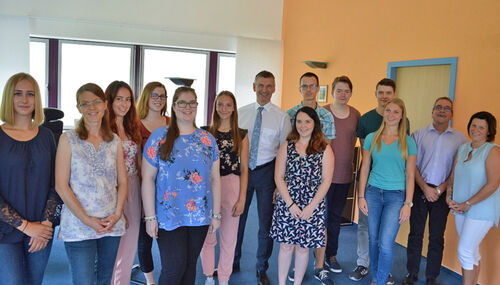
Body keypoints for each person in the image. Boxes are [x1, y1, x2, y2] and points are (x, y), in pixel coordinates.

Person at [141, 86, 221, 285]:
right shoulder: (159, 137)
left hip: (199, 216)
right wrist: (150, 217)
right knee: (173, 269)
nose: (188, 107)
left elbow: (215, 179)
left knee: (189, 267)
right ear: (174, 107)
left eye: (192, 102)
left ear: (197, 105)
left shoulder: (207, 139)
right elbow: (147, 179)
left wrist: (216, 214)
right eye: (182, 102)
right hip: (169, 215)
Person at [55, 83, 127, 285]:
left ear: (105, 105)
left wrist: (117, 214)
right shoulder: (67, 139)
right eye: (85, 103)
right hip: (78, 224)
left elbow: (122, 181)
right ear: (78, 107)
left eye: (96, 101)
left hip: (110, 222)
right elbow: (61, 186)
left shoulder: (114, 140)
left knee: (104, 280)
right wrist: (87, 220)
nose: (91, 107)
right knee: (83, 281)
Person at [0, 73, 60, 284]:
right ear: (9, 97)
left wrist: (44, 224)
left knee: (34, 281)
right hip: (5, 229)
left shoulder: (47, 136)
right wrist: (25, 226)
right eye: (18, 93)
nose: (24, 100)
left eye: (30, 94)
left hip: (41, 227)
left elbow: (56, 183)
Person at [234, 70, 292, 285]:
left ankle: (261, 268)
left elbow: (286, 151)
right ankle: (233, 261)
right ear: (253, 86)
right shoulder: (240, 113)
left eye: (269, 86)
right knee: (237, 219)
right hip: (242, 173)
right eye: (261, 85)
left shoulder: (281, 116)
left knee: (265, 224)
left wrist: (280, 183)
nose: (265, 90)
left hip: (268, 173)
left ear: (274, 88)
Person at [403, 97, 466, 285]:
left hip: (443, 194)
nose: (442, 111)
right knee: (415, 234)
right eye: (438, 107)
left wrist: (441, 189)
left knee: (437, 237)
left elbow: (457, 169)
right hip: (421, 190)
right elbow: (412, 166)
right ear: (432, 111)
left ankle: (432, 277)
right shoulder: (418, 135)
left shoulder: (460, 139)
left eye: (447, 108)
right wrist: (425, 187)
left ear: (452, 114)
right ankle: (412, 273)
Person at [271, 106, 334, 285]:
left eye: (307, 121)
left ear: (315, 124)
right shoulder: (287, 146)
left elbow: (326, 181)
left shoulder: (325, 149)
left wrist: (311, 207)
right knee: (285, 246)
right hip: (288, 204)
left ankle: (297, 283)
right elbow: (278, 176)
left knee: (303, 248)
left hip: (311, 206)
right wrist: (290, 205)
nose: (303, 125)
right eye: (299, 121)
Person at [351, 78, 405, 284]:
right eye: (380, 92)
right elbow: (368, 157)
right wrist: (364, 190)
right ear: (376, 94)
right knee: (366, 227)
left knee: (385, 236)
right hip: (371, 185)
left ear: (394, 94)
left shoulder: (403, 122)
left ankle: (383, 271)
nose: (384, 96)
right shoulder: (365, 120)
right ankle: (363, 263)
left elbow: (401, 154)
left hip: (393, 188)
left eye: (388, 93)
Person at [357, 98, 417, 285]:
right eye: (388, 110)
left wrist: (408, 203)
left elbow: (410, 175)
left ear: (401, 116)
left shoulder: (408, 142)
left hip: (396, 196)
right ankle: (377, 277)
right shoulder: (371, 138)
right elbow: (365, 167)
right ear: (384, 113)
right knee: (373, 239)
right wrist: (361, 196)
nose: (391, 115)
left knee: (385, 242)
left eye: (396, 112)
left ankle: (381, 280)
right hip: (373, 192)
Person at [286, 72, 336, 285]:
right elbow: (286, 148)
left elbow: (328, 148)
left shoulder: (326, 116)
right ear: (300, 88)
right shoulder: (289, 114)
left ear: (317, 88)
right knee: (294, 222)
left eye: (312, 86)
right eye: (304, 85)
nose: (308, 89)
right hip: (294, 180)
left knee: (318, 224)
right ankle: (297, 267)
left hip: (318, 181)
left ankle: (319, 266)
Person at [200, 91, 249, 285]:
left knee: (229, 237)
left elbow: (244, 168)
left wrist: (242, 198)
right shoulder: (205, 132)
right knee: (208, 234)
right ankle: (209, 276)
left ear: (234, 108)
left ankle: (224, 278)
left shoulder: (241, 134)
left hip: (232, 185)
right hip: (209, 186)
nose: (224, 109)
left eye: (228, 105)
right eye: (220, 104)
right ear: (215, 107)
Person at [447, 111, 499, 285]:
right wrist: (448, 196)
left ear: (489, 131)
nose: (476, 129)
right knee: (472, 252)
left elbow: (493, 184)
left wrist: (468, 203)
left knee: (465, 251)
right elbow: (454, 174)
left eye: (482, 127)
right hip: (460, 208)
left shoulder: (493, 151)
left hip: (481, 210)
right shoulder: (463, 148)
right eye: (474, 125)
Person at [106, 81, 143, 285]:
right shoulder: (103, 129)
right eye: (119, 99)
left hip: (133, 188)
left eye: (128, 99)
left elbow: (137, 163)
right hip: (112, 191)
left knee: (129, 244)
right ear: (109, 101)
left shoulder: (132, 126)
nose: (124, 103)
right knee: (112, 248)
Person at [323, 76, 360, 275]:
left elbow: (353, 141)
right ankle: (318, 259)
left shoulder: (355, 115)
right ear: (332, 92)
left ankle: (332, 255)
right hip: (323, 176)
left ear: (351, 93)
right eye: (339, 90)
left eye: (347, 91)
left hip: (344, 174)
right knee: (322, 217)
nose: (343, 94)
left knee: (336, 218)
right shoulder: (323, 113)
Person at [135, 81, 170, 284]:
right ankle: (150, 281)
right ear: (147, 97)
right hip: (144, 186)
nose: (158, 100)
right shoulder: (136, 124)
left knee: (168, 237)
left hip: (167, 190)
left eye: (163, 96)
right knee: (144, 239)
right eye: (155, 95)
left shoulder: (172, 123)